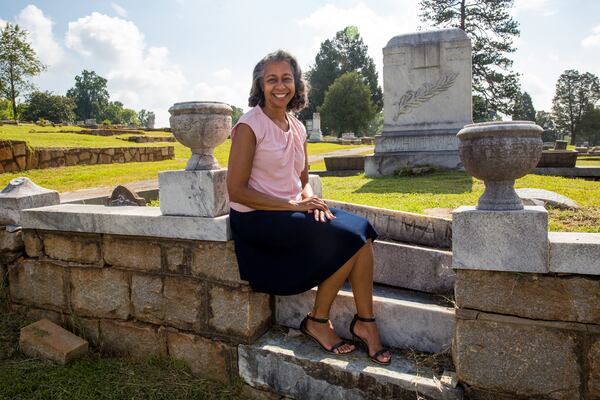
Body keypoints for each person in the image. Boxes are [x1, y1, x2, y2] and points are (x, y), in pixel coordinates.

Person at [226, 50, 391, 365]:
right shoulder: (249, 126)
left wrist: (308, 201)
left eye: (286, 78)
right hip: (257, 218)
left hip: (292, 211)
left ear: (296, 84)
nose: (280, 85)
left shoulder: (297, 127)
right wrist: (294, 204)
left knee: (362, 231)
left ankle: (365, 323)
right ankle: (317, 320)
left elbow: (301, 180)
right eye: (271, 79)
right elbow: (236, 191)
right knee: (347, 238)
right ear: (260, 85)